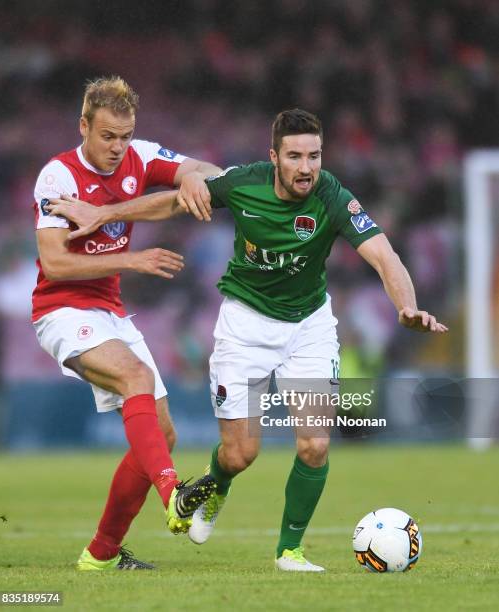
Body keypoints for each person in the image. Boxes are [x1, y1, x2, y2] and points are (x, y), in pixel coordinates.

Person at [45, 108, 448, 572]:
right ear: (273, 157)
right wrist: (105, 213)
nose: (306, 167)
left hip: (309, 326)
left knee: (315, 443)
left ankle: (290, 552)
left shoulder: (334, 197)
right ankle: (215, 488)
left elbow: (384, 255)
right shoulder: (243, 184)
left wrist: (406, 306)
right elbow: (174, 202)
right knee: (241, 454)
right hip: (245, 327)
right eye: (295, 156)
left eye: (314, 156)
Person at [32, 76, 221, 571]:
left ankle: (101, 554)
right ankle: (174, 495)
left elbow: (207, 171)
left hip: (111, 313)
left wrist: (195, 176)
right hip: (61, 310)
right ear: (84, 127)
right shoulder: (58, 177)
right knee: (136, 379)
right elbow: (54, 264)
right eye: (107, 136)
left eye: (125, 135)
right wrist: (131, 261)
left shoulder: (141, 156)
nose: (117, 147)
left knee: (160, 436)